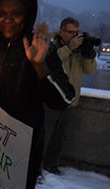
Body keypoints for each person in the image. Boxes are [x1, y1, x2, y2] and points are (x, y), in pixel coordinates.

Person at [0, 0, 75, 188]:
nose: (7, 19)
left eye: (16, 13)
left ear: (27, 16)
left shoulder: (41, 49)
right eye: (2, 13)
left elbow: (63, 100)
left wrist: (39, 65)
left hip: (22, 153)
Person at [43, 17, 97, 175]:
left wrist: (88, 54)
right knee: (44, 136)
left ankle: (52, 166)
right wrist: (69, 48)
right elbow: (50, 63)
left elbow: (90, 71)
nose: (74, 35)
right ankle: (36, 169)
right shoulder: (52, 47)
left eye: (76, 32)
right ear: (61, 32)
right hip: (51, 100)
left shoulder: (78, 50)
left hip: (70, 102)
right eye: (70, 32)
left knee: (59, 138)